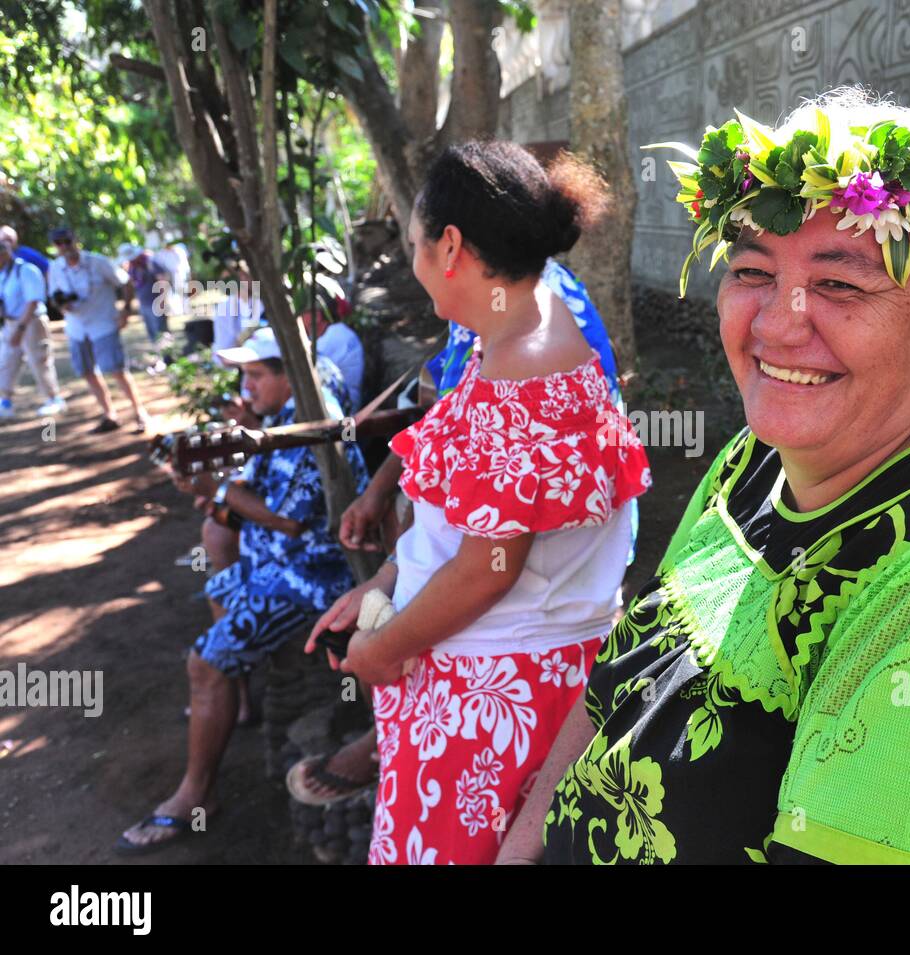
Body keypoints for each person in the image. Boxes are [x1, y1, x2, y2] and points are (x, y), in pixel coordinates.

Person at [500, 87, 910, 866]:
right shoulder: (755, 462)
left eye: (841, 284)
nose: (779, 323)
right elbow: (615, 687)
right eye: (753, 269)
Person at [300, 141, 651, 865]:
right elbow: (467, 528)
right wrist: (384, 585)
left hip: (492, 708)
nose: (413, 261)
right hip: (500, 686)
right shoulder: (516, 330)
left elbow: (489, 566)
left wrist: (380, 649)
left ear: (451, 245)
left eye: (415, 244)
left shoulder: (522, 370)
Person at [115, 325, 370, 854]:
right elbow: (259, 489)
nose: (245, 385)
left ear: (286, 372)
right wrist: (222, 480)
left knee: (203, 662)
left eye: (255, 374)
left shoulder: (313, 419)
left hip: (309, 580)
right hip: (275, 567)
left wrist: (216, 489)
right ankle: (235, 698)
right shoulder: (286, 410)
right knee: (219, 586)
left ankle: (196, 796)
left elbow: (292, 522)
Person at [46, 226, 152, 433]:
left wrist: (126, 310)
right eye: (59, 243)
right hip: (76, 327)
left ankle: (139, 412)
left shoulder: (97, 262)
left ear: (75, 239)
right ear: (54, 246)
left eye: (67, 241)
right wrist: (61, 305)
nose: (64, 247)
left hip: (103, 324)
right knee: (87, 372)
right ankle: (109, 414)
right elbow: (54, 296)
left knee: (117, 370)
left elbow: (126, 283)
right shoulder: (55, 268)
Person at [0, 235, 64, 417]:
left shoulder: (26, 270)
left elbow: (33, 301)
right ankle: (5, 401)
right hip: (10, 322)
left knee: (39, 360)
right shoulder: (4, 274)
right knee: (6, 362)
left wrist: (20, 329)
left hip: (31, 322)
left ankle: (53, 398)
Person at [299, 304, 364, 409]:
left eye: (301, 314)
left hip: (344, 409)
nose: (299, 319)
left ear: (317, 316)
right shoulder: (339, 331)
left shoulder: (332, 338)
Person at [119, 242, 171, 343]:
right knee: (153, 336)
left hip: (156, 304)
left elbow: (163, 282)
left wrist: (163, 302)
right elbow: (132, 285)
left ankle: (168, 357)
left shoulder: (150, 262)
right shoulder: (132, 268)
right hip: (144, 305)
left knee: (162, 335)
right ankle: (159, 355)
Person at [210, 260, 263, 356]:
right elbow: (222, 352)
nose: (242, 278)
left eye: (243, 274)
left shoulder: (266, 300)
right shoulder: (225, 308)